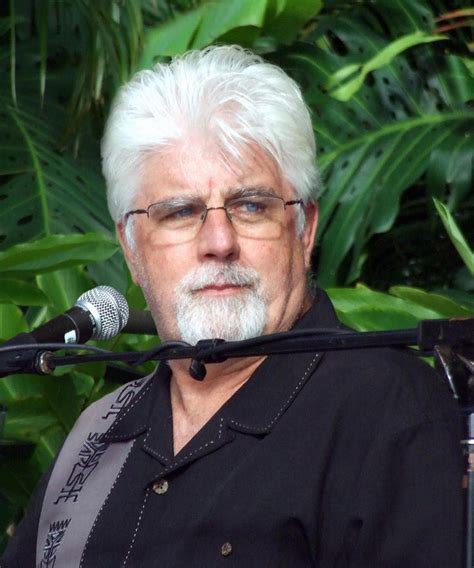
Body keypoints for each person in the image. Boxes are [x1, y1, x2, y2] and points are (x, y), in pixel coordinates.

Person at [1, 45, 463, 567]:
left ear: (304, 230)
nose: (219, 242)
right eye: (180, 212)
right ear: (131, 249)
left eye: (251, 206)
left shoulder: (394, 412)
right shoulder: (97, 435)